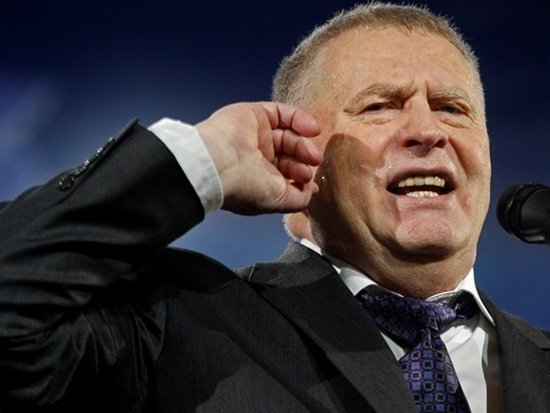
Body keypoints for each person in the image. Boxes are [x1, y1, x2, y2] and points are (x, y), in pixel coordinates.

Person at [1, 2, 549, 412]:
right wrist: (204, 160)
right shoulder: (174, 323)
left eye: (453, 108)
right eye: (380, 106)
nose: (428, 130)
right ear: (301, 154)